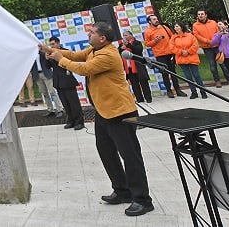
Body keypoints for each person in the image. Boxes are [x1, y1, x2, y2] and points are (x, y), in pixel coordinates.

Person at [43, 22, 153, 216]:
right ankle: (122, 190)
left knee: (130, 156)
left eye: (92, 32)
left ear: (102, 38)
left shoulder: (108, 54)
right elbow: (76, 56)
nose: (89, 34)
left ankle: (142, 200)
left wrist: (60, 58)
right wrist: (50, 50)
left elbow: (84, 69)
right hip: (104, 112)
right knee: (106, 151)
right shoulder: (94, 49)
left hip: (121, 113)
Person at [144, 14, 186, 97]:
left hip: (170, 53)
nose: (156, 20)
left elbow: (173, 37)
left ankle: (178, 90)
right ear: (150, 22)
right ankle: (169, 91)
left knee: (173, 72)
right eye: (154, 19)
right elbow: (147, 44)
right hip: (160, 55)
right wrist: (155, 41)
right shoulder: (148, 31)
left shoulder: (164, 27)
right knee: (164, 73)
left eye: (156, 18)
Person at [48, 36, 84, 130]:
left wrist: (58, 58)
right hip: (58, 81)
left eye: (53, 44)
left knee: (74, 103)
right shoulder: (50, 53)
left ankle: (79, 121)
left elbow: (68, 62)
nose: (52, 46)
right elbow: (47, 66)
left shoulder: (65, 52)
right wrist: (46, 58)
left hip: (67, 80)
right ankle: (70, 120)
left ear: (58, 43)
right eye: (50, 44)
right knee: (65, 103)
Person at [170, 22, 207, 99]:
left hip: (192, 58)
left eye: (177, 26)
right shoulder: (173, 38)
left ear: (181, 27)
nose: (176, 28)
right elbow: (172, 48)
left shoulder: (190, 36)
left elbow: (195, 45)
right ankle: (194, 92)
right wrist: (181, 52)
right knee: (188, 77)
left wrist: (188, 51)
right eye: (175, 27)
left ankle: (203, 92)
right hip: (181, 60)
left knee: (196, 76)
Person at [192, 9, 229, 87]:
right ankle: (217, 81)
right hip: (207, 47)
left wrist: (215, 41)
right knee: (212, 66)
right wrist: (208, 41)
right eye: (199, 14)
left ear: (206, 15)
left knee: (223, 63)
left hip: (217, 46)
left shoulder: (213, 22)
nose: (200, 16)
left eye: (202, 14)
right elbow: (197, 35)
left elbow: (218, 32)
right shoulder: (195, 25)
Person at [119, 31, 153, 103]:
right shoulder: (121, 44)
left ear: (131, 35)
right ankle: (139, 98)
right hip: (129, 67)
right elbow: (118, 53)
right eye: (124, 35)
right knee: (134, 83)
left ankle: (148, 98)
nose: (125, 37)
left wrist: (128, 45)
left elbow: (138, 50)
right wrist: (121, 48)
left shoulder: (137, 42)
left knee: (143, 82)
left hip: (138, 65)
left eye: (126, 35)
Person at [33, 52, 64, 117]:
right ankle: (50, 110)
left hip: (47, 74)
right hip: (37, 75)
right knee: (44, 93)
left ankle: (60, 109)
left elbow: (50, 61)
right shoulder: (31, 54)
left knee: (52, 92)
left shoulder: (43, 53)